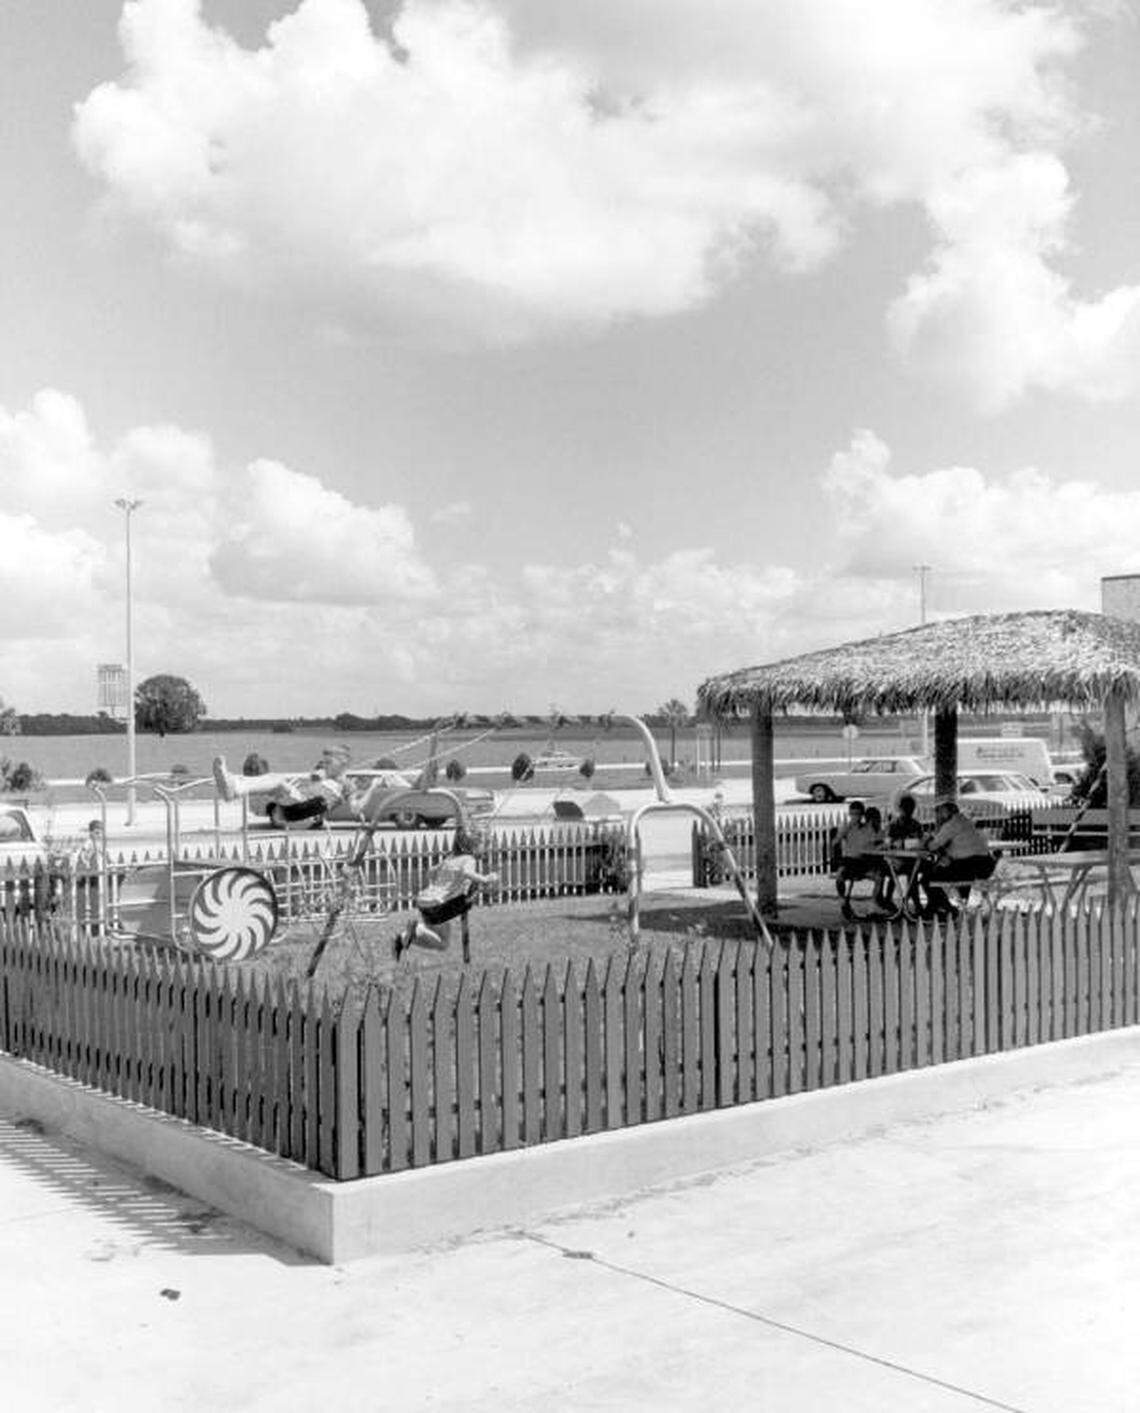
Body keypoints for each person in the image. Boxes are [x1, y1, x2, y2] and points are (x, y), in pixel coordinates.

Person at [213, 747, 413, 828]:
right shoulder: (321, 776)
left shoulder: (346, 785)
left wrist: (372, 788)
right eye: (324, 761)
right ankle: (234, 787)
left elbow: (356, 809)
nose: (324, 764)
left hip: (310, 812)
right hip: (297, 809)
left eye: (328, 761)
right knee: (276, 782)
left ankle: (235, 787)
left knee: (277, 782)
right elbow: (312, 781)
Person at [392, 825, 499, 960]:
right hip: (440, 905)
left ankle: (401, 939)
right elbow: (467, 873)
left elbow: (430, 871)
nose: (485, 847)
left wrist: (440, 884)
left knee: (435, 936)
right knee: (443, 944)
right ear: (473, 845)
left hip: (426, 901)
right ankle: (415, 930)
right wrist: (486, 879)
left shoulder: (450, 858)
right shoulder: (469, 859)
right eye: (483, 844)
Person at [915, 798, 995, 918]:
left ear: (947, 813)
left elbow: (933, 846)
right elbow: (958, 847)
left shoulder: (951, 824)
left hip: (967, 867)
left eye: (940, 812)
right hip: (985, 866)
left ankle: (945, 909)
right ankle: (938, 909)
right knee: (938, 873)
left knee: (927, 879)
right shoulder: (966, 821)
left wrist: (925, 840)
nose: (938, 816)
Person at [831, 800, 882, 920]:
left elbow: (876, 840)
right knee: (840, 875)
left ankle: (872, 906)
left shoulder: (867, 828)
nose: (855, 817)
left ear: (862, 815)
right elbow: (835, 842)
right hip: (848, 860)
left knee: (878, 877)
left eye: (858, 814)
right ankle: (843, 901)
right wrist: (847, 828)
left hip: (862, 861)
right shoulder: (846, 827)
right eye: (852, 814)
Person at [874, 793, 924, 909]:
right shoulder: (895, 825)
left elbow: (919, 842)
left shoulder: (914, 825)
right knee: (900, 873)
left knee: (911, 874)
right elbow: (888, 843)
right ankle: (911, 903)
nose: (907, 811)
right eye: (906, 808)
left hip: (909, 860)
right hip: (897, 860)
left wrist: (900, 844)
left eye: (909, 808)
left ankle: (911, 902)